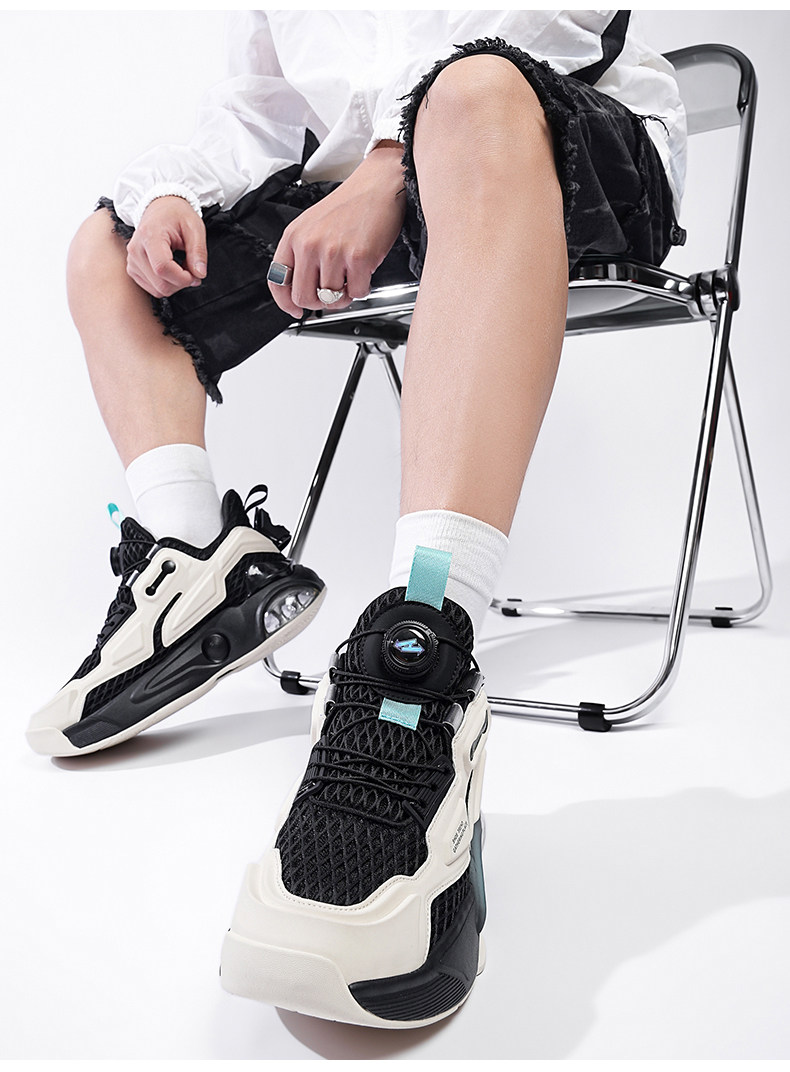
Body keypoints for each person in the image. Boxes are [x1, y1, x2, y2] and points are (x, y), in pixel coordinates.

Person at [26, 11, 686, 1028]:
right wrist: (171, 194)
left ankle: (422, 651)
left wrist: (389, 157)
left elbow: (551, 22)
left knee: (472, 92)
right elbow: (261, 109)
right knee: (104, 247)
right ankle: (195, 559)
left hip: (552, 149)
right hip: (367, 196)